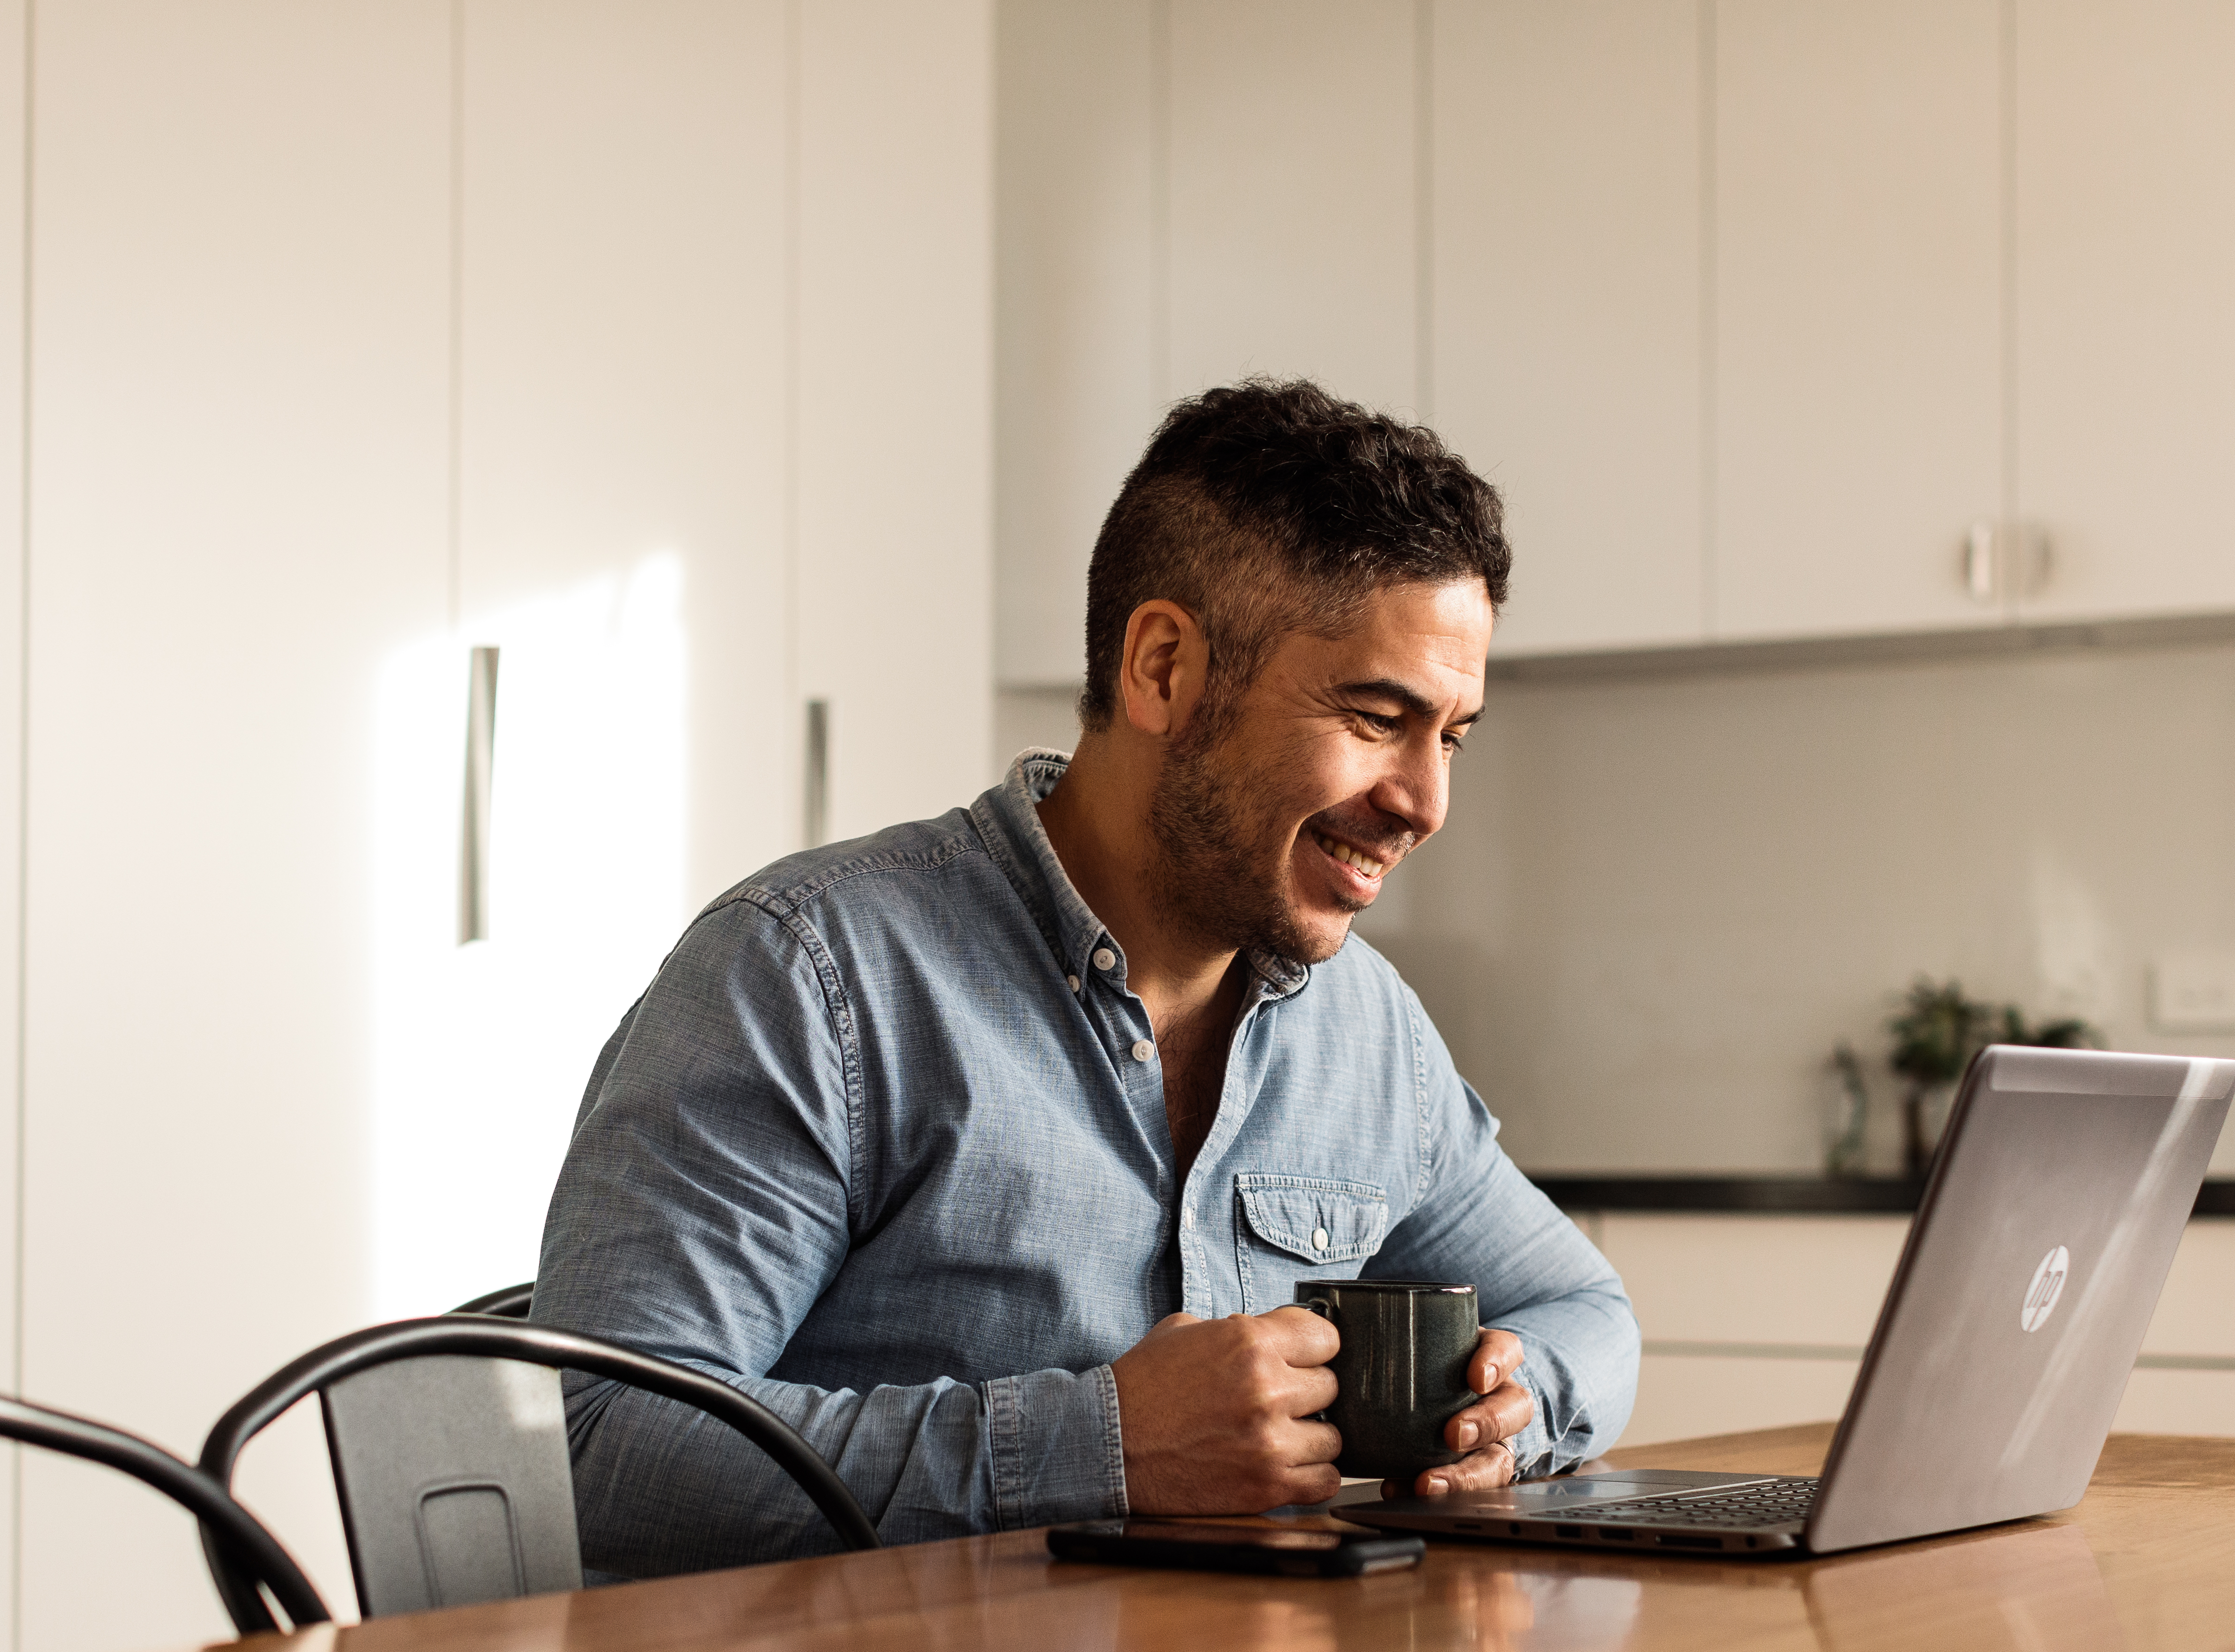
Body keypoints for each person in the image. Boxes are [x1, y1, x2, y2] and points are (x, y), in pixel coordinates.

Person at [531, 378, 1637, 1575]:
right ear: (1163, 668)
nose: (1426, 802)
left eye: (1451, 735)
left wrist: (1504, 1417)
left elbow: (1590, 1319)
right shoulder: (811, 974)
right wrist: (1099, 1444)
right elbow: (594, 1457)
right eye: (1376, 717)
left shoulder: (1366, 1033)